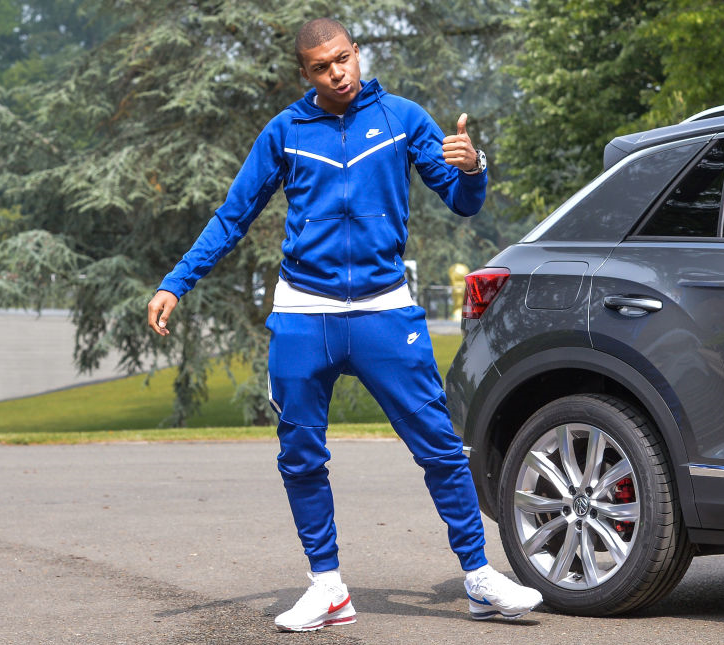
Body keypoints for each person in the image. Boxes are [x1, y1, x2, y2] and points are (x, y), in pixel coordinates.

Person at [148, 17, 543, 633]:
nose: (337, 73)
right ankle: (327, 588)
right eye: (321, 67)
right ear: (305, 74)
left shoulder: (403, 119)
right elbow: (232, 217)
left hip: (385, 312)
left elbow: (464, 203)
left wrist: (473, 167)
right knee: (300, 455)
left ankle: (478, 576)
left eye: (343, 59)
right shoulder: (285, 132)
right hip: (304, 315)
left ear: (357, 52)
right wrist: (176, 282)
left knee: (439, 447)